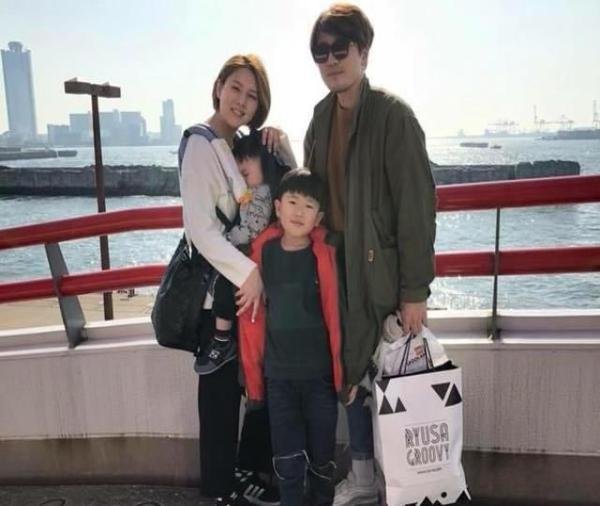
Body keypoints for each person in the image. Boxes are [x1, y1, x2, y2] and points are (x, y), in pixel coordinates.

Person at [303, 4, 437, 505]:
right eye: (321, 52)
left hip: (381, 274)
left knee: (387, 376)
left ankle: (401, 479)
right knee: (350, 371)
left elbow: (416, 207)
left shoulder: (393, 117)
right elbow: (309, 194)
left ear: (364, 51)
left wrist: (415, 290)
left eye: (341, 48)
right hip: (337, 272)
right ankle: (362, 477)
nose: (331, 60)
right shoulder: (320, 118)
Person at [179, 54, 295, 505]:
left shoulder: (239, 146)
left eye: (252, 95)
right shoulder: (201, 145)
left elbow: (289, 191)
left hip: (246, 289)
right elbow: (201, 231)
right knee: (220, 398)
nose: (242, 101)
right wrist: (251, 274)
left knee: (252, 387)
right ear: (218, 86)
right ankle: (219, 490)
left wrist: (284, 148)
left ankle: (241, 475)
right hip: (219, 296)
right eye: (235, 88)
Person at [238, 169, 344, 506]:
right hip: (278, 377)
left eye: (309, 206)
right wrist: (254, 381)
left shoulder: (325, 255)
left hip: (320, 377)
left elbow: (338, 317)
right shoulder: (263, 255)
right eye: (293, 202)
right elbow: (251, 323)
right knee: (286, 459)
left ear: (319, 217)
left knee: (322, 458)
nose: (299, 212)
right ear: (278, 207)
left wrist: (346, 374)